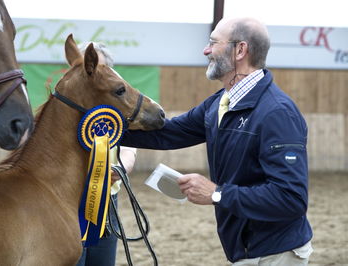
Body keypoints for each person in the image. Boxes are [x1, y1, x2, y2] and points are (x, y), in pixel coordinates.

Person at [121, 17, 313, 265]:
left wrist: (217, 194)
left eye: (213, 42)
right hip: (245, 250)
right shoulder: (219, 103)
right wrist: (107, 127)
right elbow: (167, 133)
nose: (205, 50)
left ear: (240, 50)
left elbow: (291, 199)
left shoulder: (277, 113)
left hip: (275, 254)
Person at [76, 42, 137, 266]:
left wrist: (121, 168)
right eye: (86, 66)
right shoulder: (63, 106)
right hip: (69, 200)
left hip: (107, 199)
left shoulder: (119, 108)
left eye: (98, 66)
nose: (92, 71)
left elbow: (129, 147)